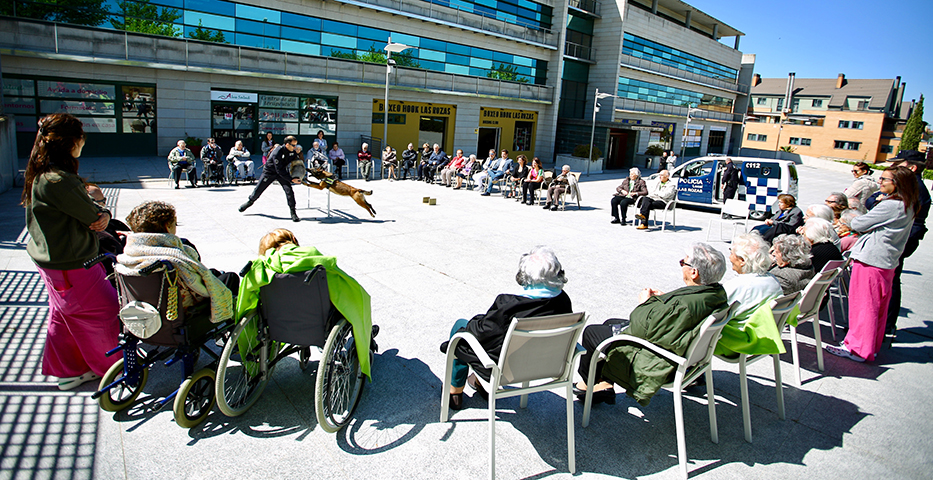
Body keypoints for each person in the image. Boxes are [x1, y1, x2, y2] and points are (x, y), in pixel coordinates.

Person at [21, 113, 120, 390]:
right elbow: (92, 215)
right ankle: (110, 367)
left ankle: (69, 370)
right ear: (72, 142)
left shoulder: (41, 173)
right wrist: (103, 211)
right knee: (105, 311)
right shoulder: (59, 180)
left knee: (63, 317)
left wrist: (99, 213)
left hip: (52, 261)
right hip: (73, 263)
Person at [575, 243, 728, 406]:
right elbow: (670, 321)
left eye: (684, 263)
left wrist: (645, 303)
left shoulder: (685, 306)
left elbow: (640, 325)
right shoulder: (713, 294)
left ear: (694, 272)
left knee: (592, 333)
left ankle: (588, 384)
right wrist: (664, 301)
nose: (681, 265)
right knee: (609, 323)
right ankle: (602, 382)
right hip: (684, 353)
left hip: (659, 361)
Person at [439, 246, 572, 409]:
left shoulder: (509, 306)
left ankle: (455, 392)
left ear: (525, 276)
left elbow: (481, 333)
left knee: (462, 328)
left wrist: (479, 320)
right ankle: (479, 383)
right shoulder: (564, 302)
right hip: (544, 365)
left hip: (505, 369)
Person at [240, 229, 375, 380]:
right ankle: (366, 338)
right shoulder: (310, 256)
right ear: (292, 239)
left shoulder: (262, 268)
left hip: (278, 325)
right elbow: (344, 287)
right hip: (317, 323)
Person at [827, 166, 918, 363]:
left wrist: (851, 217)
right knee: (877, 307)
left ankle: (857, 348)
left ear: (897, 184)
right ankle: (870, 346)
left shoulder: (890, 205)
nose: (880, 182)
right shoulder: (908, 204)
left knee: (864, 306)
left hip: (871, 260)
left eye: (885, 179)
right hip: (887, 261)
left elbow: (859, 224)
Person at [117, 201, 237, 323]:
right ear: (167, 226)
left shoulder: (129, 255)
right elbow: (202, 290)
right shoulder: (174, 259)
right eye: (175, 224)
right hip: (182, 314)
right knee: (230, 278)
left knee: (214, 273)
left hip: (148, 312)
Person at [714, 232, 784, 357]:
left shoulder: (739, 285)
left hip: (734, 343)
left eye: (732, 254)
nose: (730, 257)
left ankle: (689, 372)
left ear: (742, 261)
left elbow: (711, 313)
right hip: (761, 339)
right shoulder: (773, 281)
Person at [886, 150, 930, 334]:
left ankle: (887, 324)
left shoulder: (914, 188)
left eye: (899, 165)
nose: (894, 168)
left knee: (891, 281)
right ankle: (887, 324)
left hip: (903, 239)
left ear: (911, 168)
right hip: (906, 238)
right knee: (891, 281)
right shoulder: (915, 186)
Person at [238, 135, 303, 222]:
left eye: (296, 145)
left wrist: (299, 154)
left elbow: (297, 162)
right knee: (258, 189)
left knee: (289, 191)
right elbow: (278, 169)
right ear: (287, 144)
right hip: (270, 172)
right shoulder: (277, 152)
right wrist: (291, 179)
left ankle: (293, 212)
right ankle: (249, 202)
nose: (295, 147)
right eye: (293, 145)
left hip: (282, 173)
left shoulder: (292, 152)